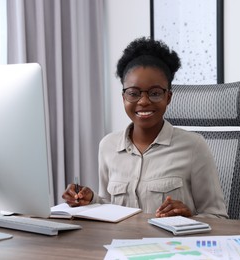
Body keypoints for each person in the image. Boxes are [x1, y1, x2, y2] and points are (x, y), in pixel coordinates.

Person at [62, 37, 228, 218]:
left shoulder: (194, 146)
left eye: (155, 93)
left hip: (172, 245)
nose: (143, 101)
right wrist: (90, 199)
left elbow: (218, 217)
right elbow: (109, 208)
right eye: (133, 93)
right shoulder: (108, 146)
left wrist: (188, 218)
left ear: (169, 97)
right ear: (123, 97)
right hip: (122, 245)